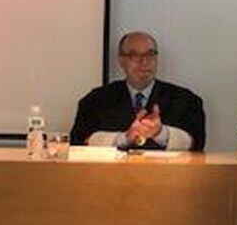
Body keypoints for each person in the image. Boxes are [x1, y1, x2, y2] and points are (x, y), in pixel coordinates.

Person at [69, 31, 205, 150]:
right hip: (109, 177)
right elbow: (79, 143)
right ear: (121, 61)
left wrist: (161, 133)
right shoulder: (95, 100)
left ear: (157, 59)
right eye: (134, 55)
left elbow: (196, 144)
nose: (144, 62)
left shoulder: (185, 100)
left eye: (150, 54)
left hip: (167, 177)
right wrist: (124, 138)